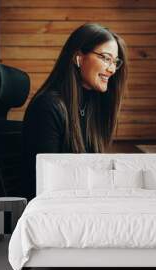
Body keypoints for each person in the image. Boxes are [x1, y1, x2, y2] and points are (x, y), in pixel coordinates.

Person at [21, 23, 128, 200]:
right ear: (79, 58)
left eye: (115, 62)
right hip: (52, 212)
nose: (112, 69)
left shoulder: (89, 106)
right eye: (105, 58)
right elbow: (48, 185)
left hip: (76, 204)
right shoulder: (47, 107)